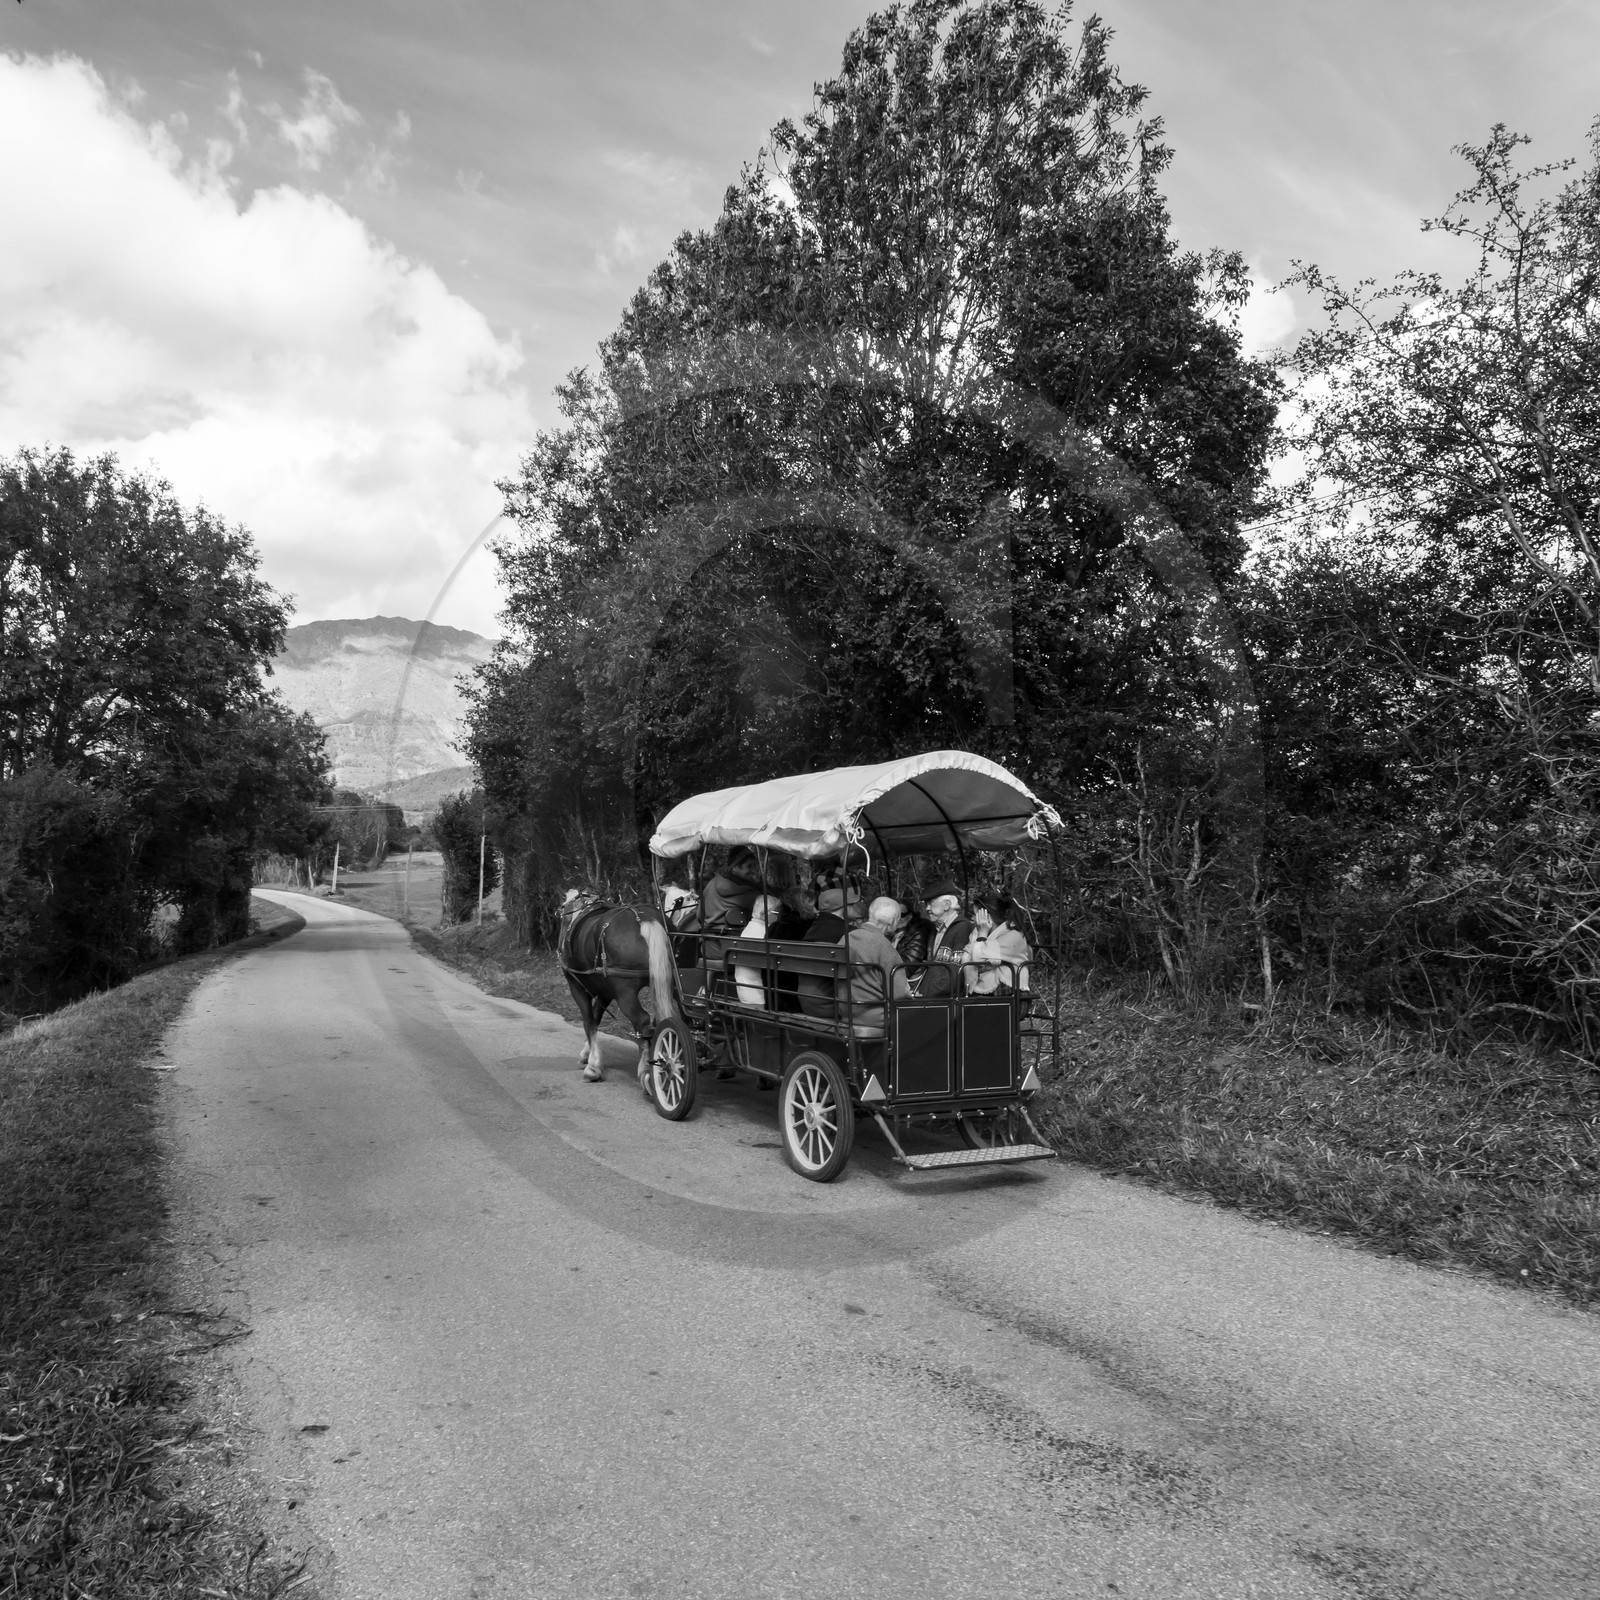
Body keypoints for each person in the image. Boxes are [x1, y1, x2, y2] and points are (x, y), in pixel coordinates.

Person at [836, 896, 912, 1036]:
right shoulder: (886, 948)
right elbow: (901, 996)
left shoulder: (846, 938)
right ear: (892, 921)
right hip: (875, 1018)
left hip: (847, 1012)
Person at [798, 883, 864, 1019]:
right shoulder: (849, 934)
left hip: (807, 1003)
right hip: (831, 1005)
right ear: (842, 909)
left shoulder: (812, 929)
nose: (857, 907)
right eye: (852, 904)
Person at [965, 890, 1031, 994]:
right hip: (986, 990)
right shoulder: (978, 931)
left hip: (1009, 992)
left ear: (987, 917)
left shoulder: (1012, 935)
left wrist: (982, 933)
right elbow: (967, 954)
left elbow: (977, 959)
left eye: (975, 915)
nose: (972, 918)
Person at [917, 878, 973, 997]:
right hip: (930, 996)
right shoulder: (935, 928)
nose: (927, 909)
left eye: (930, 904)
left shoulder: (963, 927)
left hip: (947, 999)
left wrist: (929, 994)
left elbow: (955, 971)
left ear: (946, 905)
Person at [734, 895, 783, 1007]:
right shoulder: (765, 933)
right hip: (760, 997)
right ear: (765, 914)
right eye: (777, 913)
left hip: (746, 993)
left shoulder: (750, 929)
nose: (780, 917)